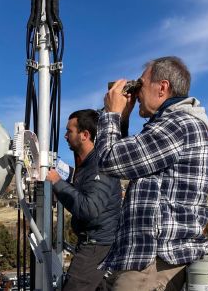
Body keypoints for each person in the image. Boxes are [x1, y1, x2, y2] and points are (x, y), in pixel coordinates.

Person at [96, 56, 208, 291]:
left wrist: (112, 114)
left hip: (154, 261)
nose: (136, 92)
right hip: (151, 259)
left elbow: (110, 160)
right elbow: (128, 161)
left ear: (162, 87)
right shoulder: (171, 125)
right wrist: (123, 119)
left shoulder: (178, 124)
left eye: (141, 84)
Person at [46, 109, 122, 291]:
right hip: (96, 244)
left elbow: (90, 208)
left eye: (69, 131)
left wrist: (57, 183)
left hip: (97, 246)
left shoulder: (99, 165)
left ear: (84, 135)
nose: (65, 136)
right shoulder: (87, 165)